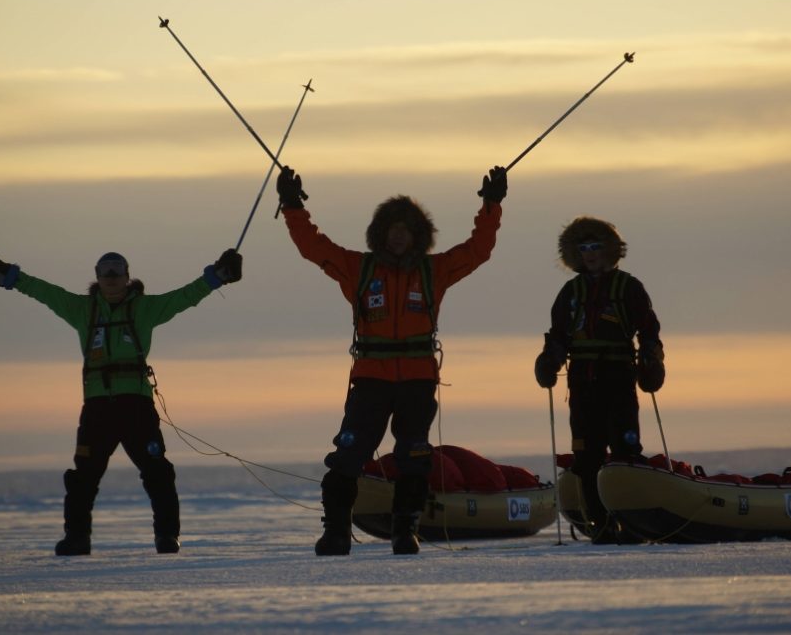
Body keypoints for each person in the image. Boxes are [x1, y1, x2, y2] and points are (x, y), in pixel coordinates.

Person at [276, 164, 506, 555]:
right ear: (380, 235)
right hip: (370, 381)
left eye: (406, 230)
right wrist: (292, 204)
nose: (398, 236)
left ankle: (405, 531)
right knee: (348, 455)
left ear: (418, 237)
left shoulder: (436, 271)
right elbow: (313, 247)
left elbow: (478, 250)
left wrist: (492, 204)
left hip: (418, 381)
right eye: (392, 229)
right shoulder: (358, 269)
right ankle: (336, 532)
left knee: (414, 456)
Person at [0, 248, 242, 556]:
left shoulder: (146, 309)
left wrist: (218, 277)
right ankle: (77, 538)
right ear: (98, 278)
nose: (112, 278)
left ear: (128, 277)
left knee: (158, 473)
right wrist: (6, 275)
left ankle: (167, 536)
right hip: (98, 409)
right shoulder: (82, 310)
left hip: (137, 408)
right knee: (82, 478)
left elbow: (185, 296)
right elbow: (44, 292)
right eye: (106, 272)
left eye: (118, 271)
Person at [533, 216, 664, 543]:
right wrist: (549, 361)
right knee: (587, 454)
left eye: (595, 246)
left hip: (618, 376)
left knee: (625, 450)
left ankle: (632, 522)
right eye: (583, 247)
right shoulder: (570, 292)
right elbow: (559, 335)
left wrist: (651, 362)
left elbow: (649, 331)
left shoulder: (629, 287)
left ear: (610, 249)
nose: (589, 253)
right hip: (582, 381)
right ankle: (600, 524)